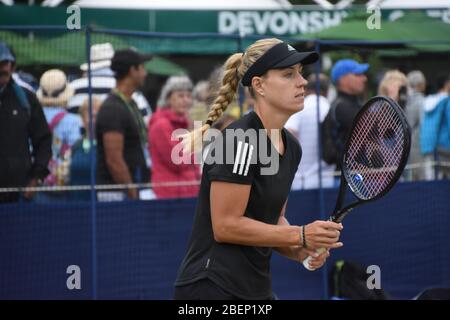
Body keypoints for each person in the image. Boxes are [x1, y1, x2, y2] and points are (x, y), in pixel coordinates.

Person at [174, 38, 344, 300]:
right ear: (259, 85)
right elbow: (226, 226)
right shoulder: (239, 139)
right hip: (211, 288)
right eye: (288, 74)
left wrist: (299, 249)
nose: (302, 82)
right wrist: (299, 234)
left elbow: (272, 220)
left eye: (300, 73)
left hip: (256, 289)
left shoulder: (292, 147)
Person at [96, 48, 151, 201]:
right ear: (133, 71)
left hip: (133, 188)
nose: (145, 73)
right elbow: (114, 159)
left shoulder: (130, 103)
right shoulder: (112, 108)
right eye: (142, 68)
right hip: (116, 193)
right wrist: (130, 189)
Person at [0, 42, 52, 203]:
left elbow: (43, 140)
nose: (5, 69)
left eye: (7, 63)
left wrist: (36, 178)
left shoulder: (26, 100)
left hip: (18, 194)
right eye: (0, 64)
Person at [148, 75, 201, 199]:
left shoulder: (185, 124)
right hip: (169, 196)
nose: (186, 100)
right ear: (168, 99)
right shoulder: (161, 125)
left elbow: (195, 161)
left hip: (190, 194)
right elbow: (177, 162)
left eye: (188, 96)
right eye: (180, 96)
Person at [36, 69, 82, 198]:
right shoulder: (74, 122)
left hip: (35, 182)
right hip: (62, 184)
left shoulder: (31, 118)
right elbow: (75, 152)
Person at [285, 73, 335, 190]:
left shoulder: (300, 108)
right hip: (327, 181)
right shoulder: (329, 108)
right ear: (327, 90)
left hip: (300, 181)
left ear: (306, 89)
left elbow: (288, 135)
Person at [328, 59, 369, 170]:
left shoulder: (354, 103)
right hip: (347, 179)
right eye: (358, 74)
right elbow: (375, 129)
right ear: (343, 80)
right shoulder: (341, 107)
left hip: (359, 176)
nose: (364, 78)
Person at [68, 97, 103, 201]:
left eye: (98, 116)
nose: (94, 120)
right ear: (83, 120)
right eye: (91, 116)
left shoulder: (107, 146)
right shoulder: (76, 146)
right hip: (76, 202)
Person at [405, 71, 426, 181]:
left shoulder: (405, 99)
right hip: (417, 142)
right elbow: (423, 123)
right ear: (420, 84)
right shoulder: (421, 100)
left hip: (404, 140)